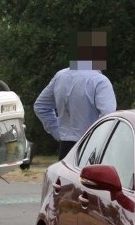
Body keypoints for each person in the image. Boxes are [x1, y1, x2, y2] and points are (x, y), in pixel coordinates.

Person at [34, 31, 117, 160]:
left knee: (66, 179)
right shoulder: (100, 81)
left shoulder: (60, 76)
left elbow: (40, 106)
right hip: (91, 145)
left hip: (65, 146)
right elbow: (108, 115)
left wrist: (58, 132)